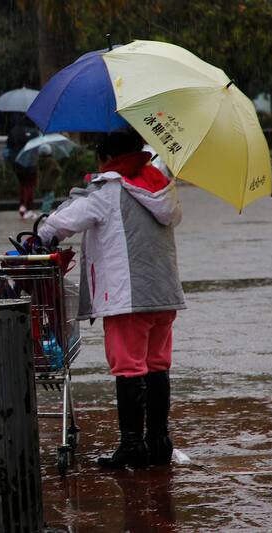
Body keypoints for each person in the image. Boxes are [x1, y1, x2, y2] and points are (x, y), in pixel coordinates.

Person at [36, 128, 185, 468]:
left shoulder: (108, 192)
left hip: (126, 297)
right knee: (157, 365)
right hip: (163, 294)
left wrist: (42, 233)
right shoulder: (161, 187)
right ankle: (158, 441)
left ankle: (132, 446)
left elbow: (59, 224)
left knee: (129, 367)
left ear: (106, 158)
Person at [5, 116, 40, 218]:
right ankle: (28, 207)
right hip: (30, 163)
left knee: (22, 184)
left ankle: (22, 205)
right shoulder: (34, 132)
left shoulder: (14, 131)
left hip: (17, 162)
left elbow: (9, 144)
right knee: (30, 185)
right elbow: (37, 146)